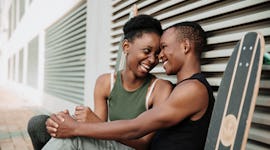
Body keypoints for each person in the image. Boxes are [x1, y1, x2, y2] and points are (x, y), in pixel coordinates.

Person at [45, 21, 215, 150]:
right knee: (46, 126)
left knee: (72, 138)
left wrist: (76, 128)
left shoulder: (194, 89)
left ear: (185, 46)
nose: (159, 56)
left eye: (163, 48)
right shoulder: (182, 87)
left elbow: (137, 128)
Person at [27, 14, 172, 150]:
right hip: (110, 143)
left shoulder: (160, 88)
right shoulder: (105, 82)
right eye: (147, 51)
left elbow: (144, 143)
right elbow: (96, 130)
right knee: (39, 124)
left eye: (156, 54)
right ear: (126, 47)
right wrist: (63, 121)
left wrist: (90, 125)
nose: (153, 60)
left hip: (133, 147)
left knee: (72, 138)